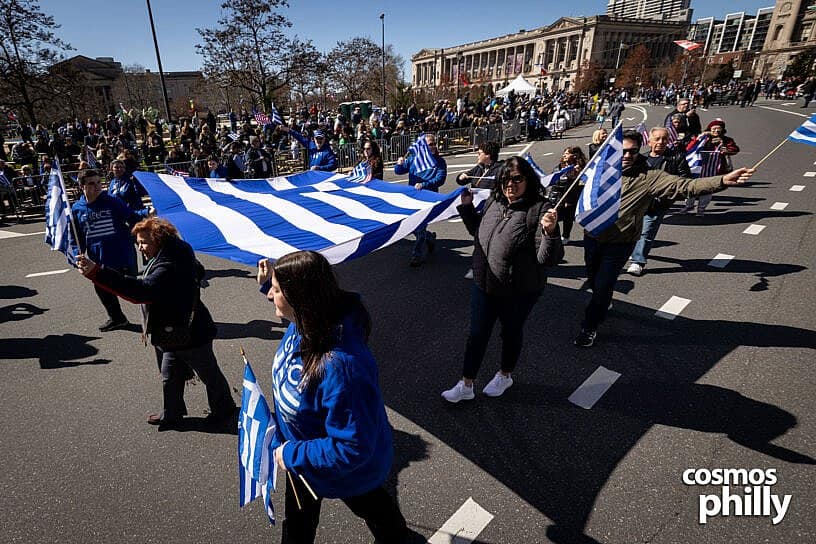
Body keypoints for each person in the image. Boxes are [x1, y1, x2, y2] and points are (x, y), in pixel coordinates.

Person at [256, 250, 409, 543]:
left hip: (348, 472)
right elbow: (288, 309)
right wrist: (267, 284)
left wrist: (290, 454)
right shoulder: (308, 322)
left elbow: (352, 448)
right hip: (302, 464)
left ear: (301, 299)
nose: (268, 296)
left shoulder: (342, 367)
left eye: (275, 291)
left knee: (381, 518)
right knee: (298, 527)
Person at [574, 130, 755, 348]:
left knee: (603, 285)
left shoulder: (650, 177)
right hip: (592, 237)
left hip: (621, 243)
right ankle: (603, 301)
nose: (627, 156)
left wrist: (722, 180)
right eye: (623, 151)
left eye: (632, 151)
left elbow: (685, 186)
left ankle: (589, 326)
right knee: (594, 280)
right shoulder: (600, 170)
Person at [76, 217, 236, 428]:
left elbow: (140, 291)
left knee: (208, 374)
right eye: (139, 242)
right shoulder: (177, 251)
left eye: (144, 242)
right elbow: (199, 270)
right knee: (169, 375)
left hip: (190, 332)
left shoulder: (169, 263)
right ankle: (172, 414)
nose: (140, 247)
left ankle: (223, 410)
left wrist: (96, 272)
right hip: (173, 331)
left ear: (159, 241)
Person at [442, 157, 563, 402]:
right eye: (506, 178)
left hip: (518, 291)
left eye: (517, 179)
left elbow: (547, 259)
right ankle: (466, 385)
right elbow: (481, 233)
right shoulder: (494, 201)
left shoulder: (539, 209)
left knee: (510, 333)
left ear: (528, 180)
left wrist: (550, 232)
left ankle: (505, 375)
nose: (510, 184)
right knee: (476, 334)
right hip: (484, 284)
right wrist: (466, 208)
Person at [71, 169, 145, 331]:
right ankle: (117, 318)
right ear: (81, 186)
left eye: (99, 182)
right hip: (98, 259)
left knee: (135, 292)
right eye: (91, 183)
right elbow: (76, 236)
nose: (97, 187)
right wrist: (77, 255)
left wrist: (147, 213)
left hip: (122, 256)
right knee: (103, 291)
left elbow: (132, 217)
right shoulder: (77, 208)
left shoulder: (112, 201)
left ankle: (161, 317)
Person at [626, 126, 692, 276]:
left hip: (658, 203)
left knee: (646, 232)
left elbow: (685, 179)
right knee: (631, 229)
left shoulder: (676, 158)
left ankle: (638, 262)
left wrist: (668, 192)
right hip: (637, 201)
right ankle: (633, 251)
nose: (661, 142)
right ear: (649, 141)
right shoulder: (640, 158)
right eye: (657, 139)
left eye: (664, 139)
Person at [394, 133, 447, 267]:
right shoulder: (414, 159)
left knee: (420, 225)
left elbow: (440, 179)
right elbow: (399, 171)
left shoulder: (439, 162)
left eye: (434, 143)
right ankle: (430, 238)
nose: (433, 146)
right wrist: (399, 164)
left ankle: (416, 255)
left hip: (428, 197)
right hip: (413, 197)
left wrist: (424, 184)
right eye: (430, 144)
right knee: (410, 225)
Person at [679, 118, 740, 216]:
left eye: (718, 129)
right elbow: (689, 148)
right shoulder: (704, 137)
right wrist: (699, 138)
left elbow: (735, 149)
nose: (716, 131)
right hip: (698, 167)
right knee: (692, 187)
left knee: (707, 189)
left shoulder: (727, 140)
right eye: (714, 129)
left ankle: (701, 209)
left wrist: (726, 149)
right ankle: (688, 206)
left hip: (715, 168)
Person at [547, 146, 587, 243]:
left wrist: (576, 174)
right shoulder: (560, 166)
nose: (564, 155)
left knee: (568, 218)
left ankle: (565, 236)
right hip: (557, 196)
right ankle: (553, 235)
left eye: (567, 153)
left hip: (570, 197)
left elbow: (578, 185)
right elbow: (554, 179)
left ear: (574, 155)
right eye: (564, 153)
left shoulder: (578, 169)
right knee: (553, 217)